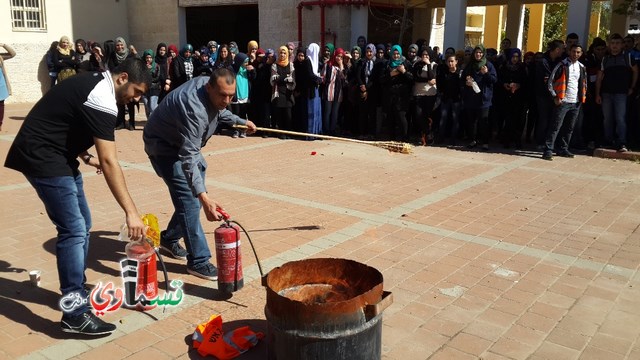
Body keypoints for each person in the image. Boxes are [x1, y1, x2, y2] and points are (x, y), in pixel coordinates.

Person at [4, 58, 150, 335]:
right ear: (122, 78)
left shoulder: (96, 84)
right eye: (137, 92)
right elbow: (110, 162)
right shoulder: (103, 96)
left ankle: (76, 288)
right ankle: (74, 314)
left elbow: (66, 117)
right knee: (72, 230)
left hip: (57, 154)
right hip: (42, 157)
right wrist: (131, 212)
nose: (137, 99)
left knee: (82, 224)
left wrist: (83, 155)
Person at [143, 68, 257, 280]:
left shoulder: (213, 88)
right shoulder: (193, 107)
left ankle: (169, 238)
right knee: (191, 200)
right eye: (222, 95)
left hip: (181, 144)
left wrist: (240, 122)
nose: (227, 100)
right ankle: (198, 261)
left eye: (231, 95)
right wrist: (204, 198)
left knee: (189, 198)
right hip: (164, 148)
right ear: (209, 88)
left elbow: (220, 111)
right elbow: (189, 156)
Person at [543, 43, 587, 160]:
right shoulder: (562, 65)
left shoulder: (582, 67)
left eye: (578, 52)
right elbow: (550, 82)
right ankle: (548, 149)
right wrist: (555, 97)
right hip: (562, 101)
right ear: (569, 52)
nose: (575, 54)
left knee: (569, 127)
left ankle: (563, 148)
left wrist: (582, 98)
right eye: (573, 51)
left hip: (576, 102)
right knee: (555, 126)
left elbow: (584, 84)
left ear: (581, 54)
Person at [596, 33, 638, 152]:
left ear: (622, 45)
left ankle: (622, 142)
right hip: (606, 93)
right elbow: (599, 78)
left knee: (620, 118)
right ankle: (608, 140)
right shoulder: (605, 59)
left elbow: (636, 71)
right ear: (609, 44)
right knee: (607, 118)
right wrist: (597, 94)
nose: (615, 46)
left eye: (618, 43)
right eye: (613, 43)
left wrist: (632, 87)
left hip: (621, 93)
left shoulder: (628, 57)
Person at [462, 44, 497, 150]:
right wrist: (466, 82)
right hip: (471, 98)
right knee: (471, 121)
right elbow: (463, 79)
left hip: (484, 98)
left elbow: (494, 80)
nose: (478, 54)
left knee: (483, 122)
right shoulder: (470, 65)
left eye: (480, 52)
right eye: (477, 52)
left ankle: (485, 142)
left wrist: (486, 73)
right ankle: (473, 140)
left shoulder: (488, 65)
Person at [0, 43, 16, 132]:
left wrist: (3, 45)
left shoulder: (0, 57)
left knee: (0, 105)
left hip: (0, 85)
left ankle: (0, 123)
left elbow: (12, 54)